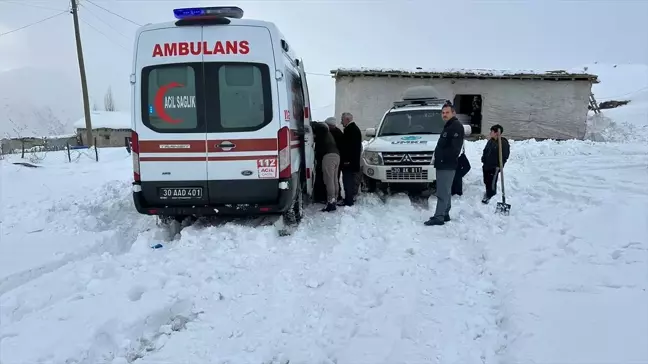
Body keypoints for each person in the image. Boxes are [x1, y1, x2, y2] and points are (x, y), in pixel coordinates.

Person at [424, 101, 465, 226]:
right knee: (445, 191)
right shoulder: (449, 126)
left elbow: (455, 149)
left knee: (442, 192)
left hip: (447, 165)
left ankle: (439, 217)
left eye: (447, 112)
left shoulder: (456, 126)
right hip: (443, 164)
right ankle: (445, 213)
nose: (444, 115)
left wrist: (443, 159)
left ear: (453, 113)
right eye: (443, 113)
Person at [312, 122, 341, 212]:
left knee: (329, 180)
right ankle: (335, 199)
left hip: (328, 156)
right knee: (334, 179)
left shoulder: (322, 134)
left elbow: (319, 149)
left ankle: (331, 202)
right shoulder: (329, 135)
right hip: (336, 155)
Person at [481, 124, 510, 204]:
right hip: (486, 165)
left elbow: (505, 155)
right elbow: (485, 151)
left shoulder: (503, 143)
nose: (490, 133)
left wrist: (500, 165)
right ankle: (488, 192)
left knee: (492, 181)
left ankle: (491, 195)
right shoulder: (491, 141)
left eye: (492, 131)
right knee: (486, 180)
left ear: (497, 133)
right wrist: (483, 158)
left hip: (495, 167)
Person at [338, 112, 362, 206]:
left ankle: (349, 201)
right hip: (352, 161)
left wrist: (346, 161)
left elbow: (348, 147)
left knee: (347, 181)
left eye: (342, 119)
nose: (341, 122)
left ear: (347, 119)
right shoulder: (353, 129)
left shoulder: (350, 130)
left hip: (349, 162)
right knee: (349, 181)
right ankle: (349, 199)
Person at [324, 117, 345, 202]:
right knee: (335, 178)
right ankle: (337, 196)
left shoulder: (328, 133)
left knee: (330, 179)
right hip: (338, 156)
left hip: (330, 156)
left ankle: (331, 199)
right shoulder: (339, 132)